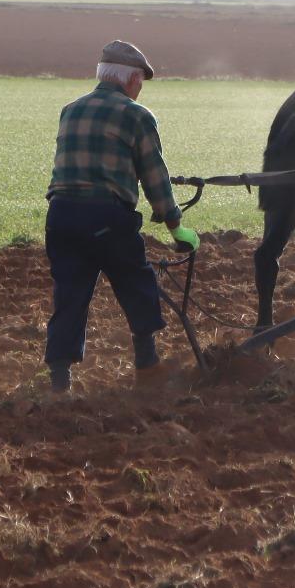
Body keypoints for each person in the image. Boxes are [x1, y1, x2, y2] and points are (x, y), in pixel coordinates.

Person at [43, 40, 198, 393]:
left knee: (69, 294)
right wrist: (177, 229)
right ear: (130, 80)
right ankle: (148, 367)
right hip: (106, 216)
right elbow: (155, 178)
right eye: (141, 81)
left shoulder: (71, 109)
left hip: (61, 215)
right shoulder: (136, 115)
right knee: (137, 283)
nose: (140, 89)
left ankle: (59, 379)